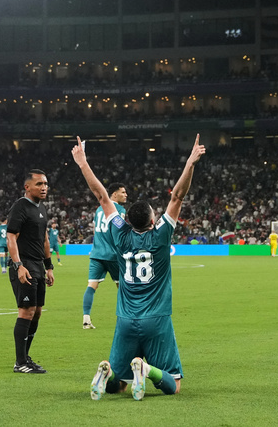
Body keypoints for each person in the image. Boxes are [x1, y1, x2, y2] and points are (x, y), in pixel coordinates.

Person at [73, 134, 206, 401]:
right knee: (174, 385)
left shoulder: (120, 235)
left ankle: (107, 373)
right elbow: (178, 196)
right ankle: (145, 369)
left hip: (125, 320)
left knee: (118, 385)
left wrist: (83, 163)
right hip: (156, 319)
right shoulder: (160, 236)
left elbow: (101, 196)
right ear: (153, 218)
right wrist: (190, 162)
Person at [7, 170, 55, 373]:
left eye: (45, 183)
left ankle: (25, 358)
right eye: (39, 184)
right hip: (24, 264)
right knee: (26, 312)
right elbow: (11, 237)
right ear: (27, 187)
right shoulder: (20, 207)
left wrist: (49, 266)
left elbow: (44, 239)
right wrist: (19, 266)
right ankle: (20, 363)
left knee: (36, 313)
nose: (44, 187)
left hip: (37, 266)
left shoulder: (41, 209)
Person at [83, 181, 128, 329]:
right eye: (123, 192)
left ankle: (86, 318)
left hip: (97, 253)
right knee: (122, 287)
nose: (126, 194)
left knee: (92, 285)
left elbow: (97, 230)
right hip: (113, 255)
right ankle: (126, 318)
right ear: (114, 194)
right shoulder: (119, 210)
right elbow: (118, 231)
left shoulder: (99, 209)